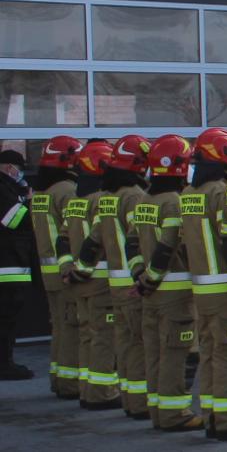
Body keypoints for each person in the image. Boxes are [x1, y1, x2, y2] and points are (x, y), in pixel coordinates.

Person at [181, 127, 227, 441]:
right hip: (225, 288)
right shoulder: (221, 192)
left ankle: (212, 415)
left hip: (203, 289)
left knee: (211, 354)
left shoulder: (189, 194)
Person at [131, 134, 201, 432]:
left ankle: (158, 410)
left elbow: (131, 244)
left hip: (151, 295)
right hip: (173, 295)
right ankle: (175, 414)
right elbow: (168, 247)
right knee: (176, 355)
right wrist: (151, 279)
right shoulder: (174, 202)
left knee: (155, 353)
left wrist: (140, 278)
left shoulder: (146, 199)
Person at [62, 139, 120, 410]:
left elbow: (62, 240)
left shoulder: (75, 199)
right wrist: (83, 271)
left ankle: (87, 390)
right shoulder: (100, 199)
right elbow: (97, 241)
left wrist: (69, 271)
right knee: (103, 337)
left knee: (86, 335)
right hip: (97, 281)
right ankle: (102, 393)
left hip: (79, 282)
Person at [102, 134, 154, 419]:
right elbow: (139, 240)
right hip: (134, 285)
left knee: (125, 342)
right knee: (139, 344)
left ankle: (129, 399)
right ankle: (140, 403)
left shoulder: (108, 197)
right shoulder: (133, 196)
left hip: (116, 283)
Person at [29, 136, 85, 394]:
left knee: (60, 326)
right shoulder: (66, 190)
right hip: (66, 271)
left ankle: (59, 378)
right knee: (72, 327)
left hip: (48, 272)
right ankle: (71, 382)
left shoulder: (41, 192)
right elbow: (73, 230)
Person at [0, 148, 34, 380]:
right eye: (18, 168)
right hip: (7, 265)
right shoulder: (2, 188)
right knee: (5, 320)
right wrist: (29, 203)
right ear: (9, 167)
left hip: (11, 263)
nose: (20, 172)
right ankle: (5, 366)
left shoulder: (8, 187)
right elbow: (13, 219)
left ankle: (6, 362)